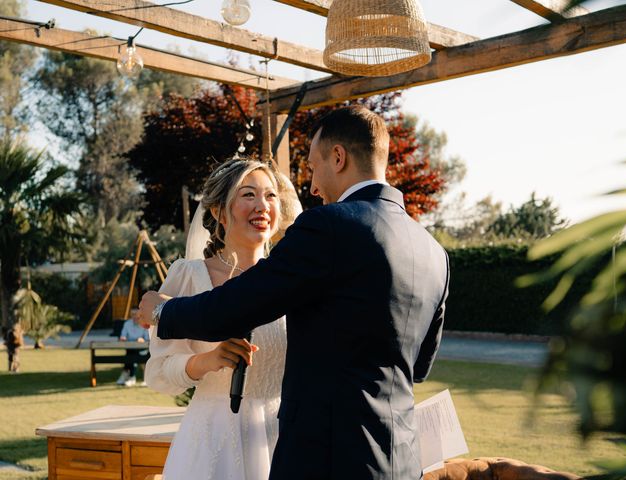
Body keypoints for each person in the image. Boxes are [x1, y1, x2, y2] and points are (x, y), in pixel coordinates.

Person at [139, 106, 450, 480]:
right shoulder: (434, 252)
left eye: (315, 167)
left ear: (338, 158)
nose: (314, 187)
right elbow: (419, 366)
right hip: (398, 459)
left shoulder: (328, 226)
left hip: (327, 459)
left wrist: (163, 312)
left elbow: (240, 304)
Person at [144, 158, 300, 480]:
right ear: (217, 212)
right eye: (248, 195)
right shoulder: (188, 276)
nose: (262, 206)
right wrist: (207, 360)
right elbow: (158, 372)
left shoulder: (291, 279)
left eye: (270, 196)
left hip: (281, 438)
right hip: (213, 438)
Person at [116, 308, 149, 387]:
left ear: (140, 314)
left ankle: (129, 376)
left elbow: (148, 339)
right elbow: (123, 336)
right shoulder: (127, 323)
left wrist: (142, 339)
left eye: (135, 314)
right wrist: (123, 338)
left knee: (131, 355)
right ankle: (130, 377)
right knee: (131, 353)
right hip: (130, 348)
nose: (134, 316)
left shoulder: (145, 323)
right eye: (132, 314)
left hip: (142, 348)